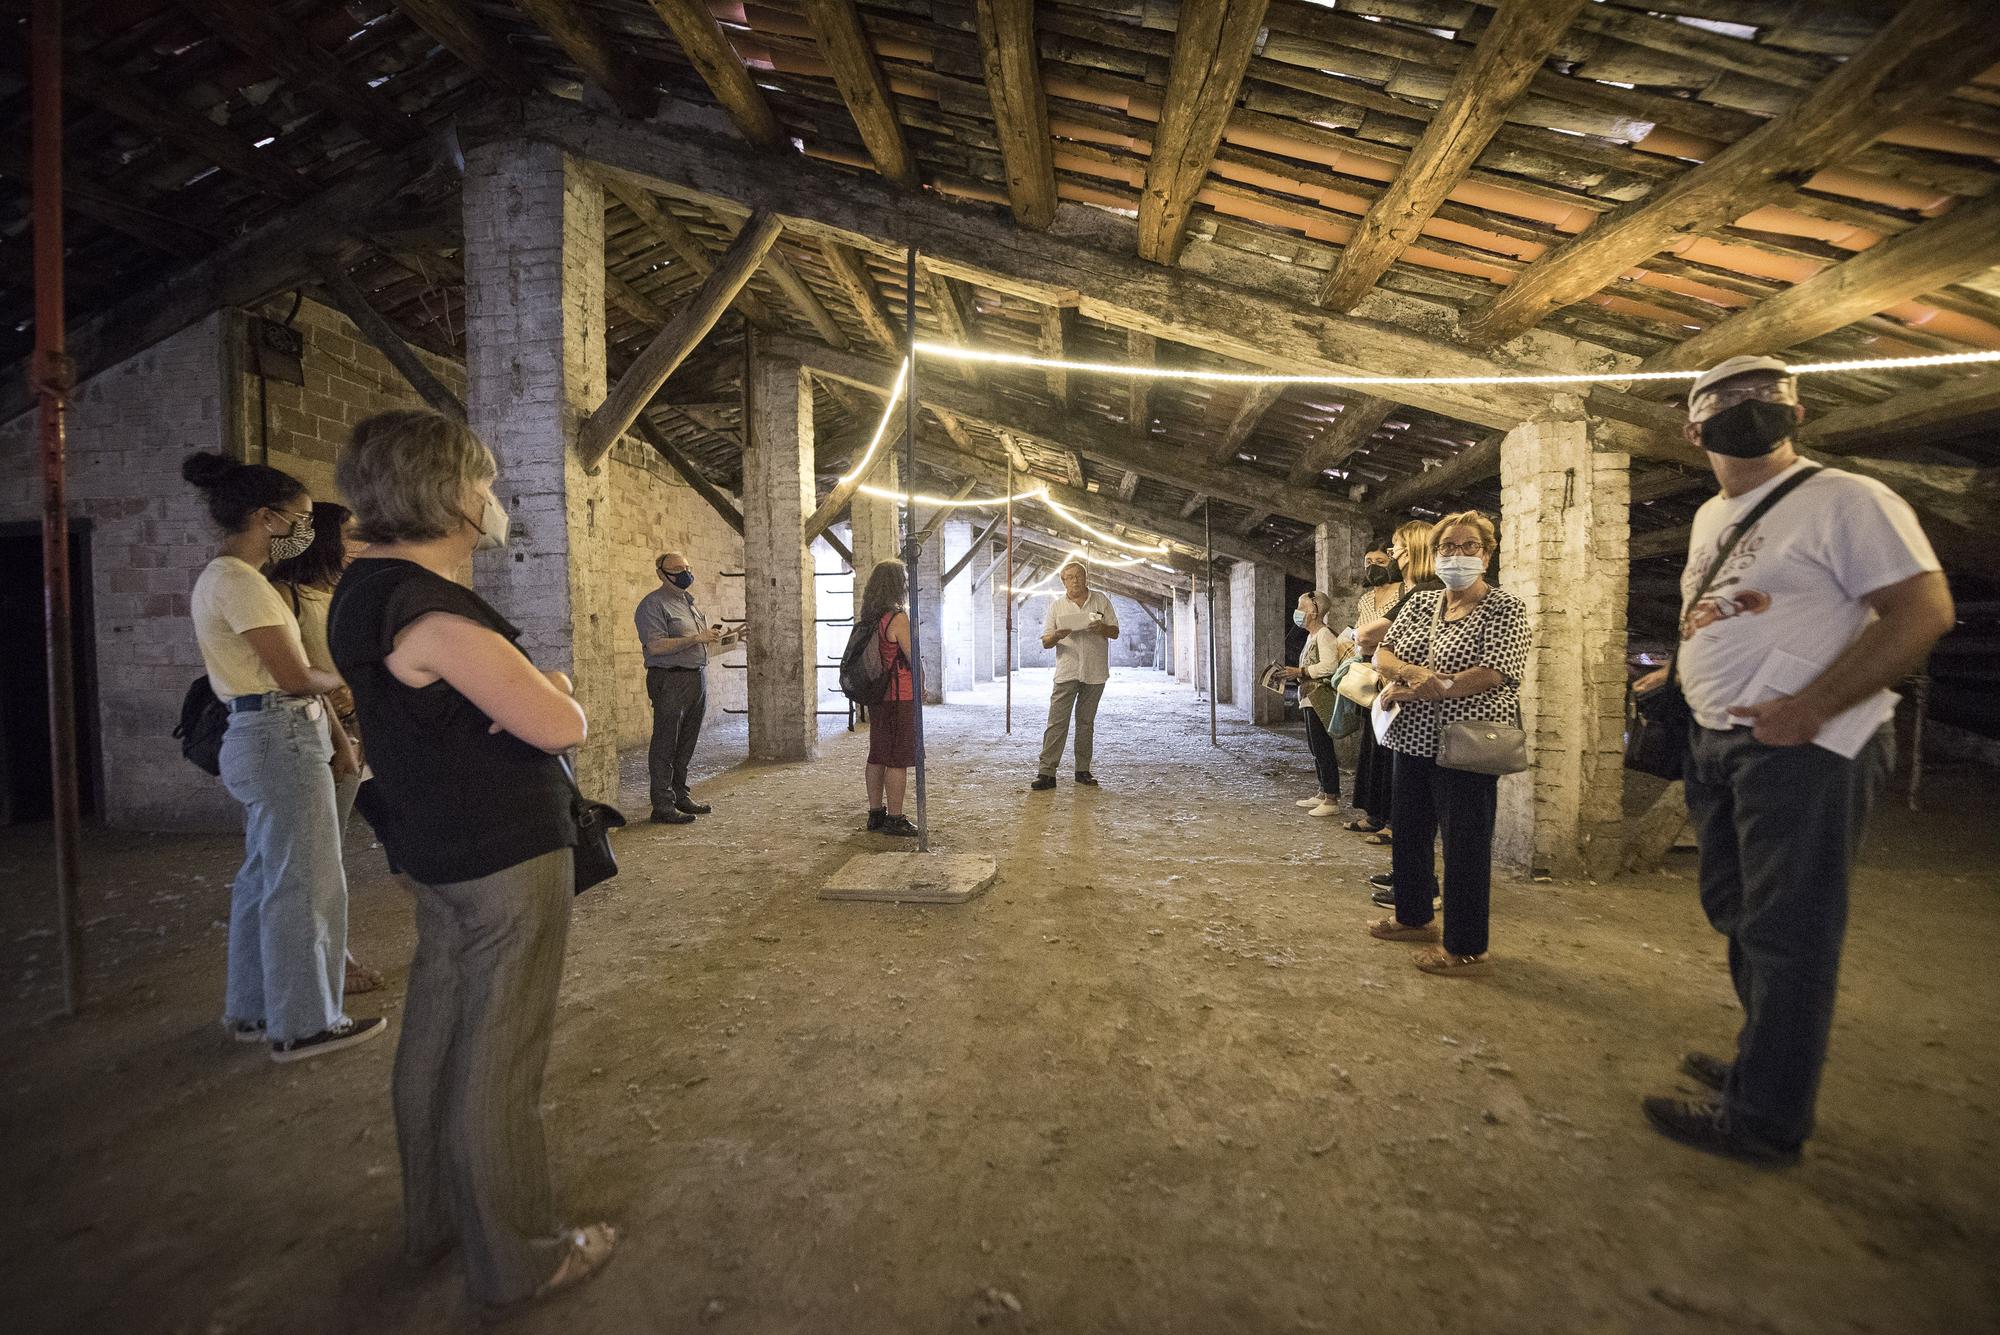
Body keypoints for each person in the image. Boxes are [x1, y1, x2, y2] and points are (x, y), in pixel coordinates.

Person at [328, 410, 617, 1310]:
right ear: (446, 492)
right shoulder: (428, 606)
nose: (490, 500)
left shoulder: (361, 593)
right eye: (482, 484)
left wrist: (520, 695)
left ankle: (439, 1222)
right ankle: (521, 1256)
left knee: (440, 1033)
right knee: (501, 1055)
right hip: (500, 849)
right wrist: (555, 686)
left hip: (436, 846)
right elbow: (560, 723)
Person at [1634, 355, 1953, 1165]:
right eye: (1727, 398)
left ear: (1797, 413)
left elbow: (1921, 611)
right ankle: (1760, 1063)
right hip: (1724, 742)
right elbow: (1738, 610)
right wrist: (1684, 672)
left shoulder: (1846, 499)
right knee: (1739, 912)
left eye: (1765, 396)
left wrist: (1811, 706)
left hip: (1805, 746)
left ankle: (1766, 1118)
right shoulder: (1713, 516)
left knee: (1790, 931)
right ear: (1693, 427)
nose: (1749, 407)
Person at [182, 452, 383, 1062]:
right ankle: (304, 1023)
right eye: (298, 517)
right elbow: (293, 677)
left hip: (263, 733)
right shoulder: (243, 584)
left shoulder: (224, 578)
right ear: (266, 518)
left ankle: (254, 1009)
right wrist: (347, 680)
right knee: (306, 884)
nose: (306, 529)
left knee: (264, 878)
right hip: (279, 733)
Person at [1366, 511, 1530, 977]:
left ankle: (1465, 944)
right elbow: (1383, 651)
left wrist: (1438, 685)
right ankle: (1414, 917)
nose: (1457, 555)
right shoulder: (1423, 602)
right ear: (1435, 556)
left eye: (1468, 547)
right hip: (1411, 736)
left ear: (1487, 554)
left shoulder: (1505, 607)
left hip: (1469, 743)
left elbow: (1496, 670)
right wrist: (1410, 675)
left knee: (1465, 844)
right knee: (1410, 831)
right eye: (1448, 548)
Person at [269, 500, 381, 997]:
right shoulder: (285, 597)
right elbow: (303, 681)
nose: (357, 543)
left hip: (356, 731)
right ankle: (330, 965)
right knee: (318, 859)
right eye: (348, 534)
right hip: (326, 735)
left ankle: (332, 958)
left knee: (329, 854)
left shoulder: (337, 595)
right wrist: (343, 739)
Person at [1353, 521, 1439, 856]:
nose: (1392, 555)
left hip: (1420, 711)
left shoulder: (1426, 592)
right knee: (1408, 798)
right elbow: (1383, 651)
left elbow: (1368, 639)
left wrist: (1399, 670)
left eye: (1395, 548)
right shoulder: (1420, 593)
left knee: (1414, 802)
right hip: (1403, 701)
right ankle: (1409, 882)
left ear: (1412, 550)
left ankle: (1419, 888)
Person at [635, 551, 719, 825]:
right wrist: (697, 637)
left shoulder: (689, 603)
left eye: (687, 567)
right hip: (669, 679)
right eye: (677, 568)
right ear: (661, 573)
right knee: (665, 742)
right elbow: (656, 645)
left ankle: (680, 795)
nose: (685, 573)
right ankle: (662, 804)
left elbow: (699, 645)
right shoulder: (653, 605)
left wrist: (728, 640)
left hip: (696, 677)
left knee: (686, 741)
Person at [1031, 559, 1120, 790]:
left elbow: (1115, 631)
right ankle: (1047, 773)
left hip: (1095, 671)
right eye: (1070, 577)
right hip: (1067, 671)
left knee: (1085, 723)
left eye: (1079, 576)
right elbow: (1046, 641)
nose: (1075, 581)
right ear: (1063, 581)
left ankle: (1082, 771)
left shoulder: (1100, 600)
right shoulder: (1056, 607)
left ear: (1086, 578)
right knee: (1056, 723)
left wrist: (1102, 629)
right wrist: (1058, 635)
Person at [857, 559, 919, 837]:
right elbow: (912, 657)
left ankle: (875, 813)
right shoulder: (897, 618)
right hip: (899, 695)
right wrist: (922, 686)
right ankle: (895, 817)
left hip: (879, 696)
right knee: (898, 759)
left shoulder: (871, 616)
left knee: (878, 754)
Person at [1280, 590, 1349, 816]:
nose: (1297, 612)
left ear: (1314, 610)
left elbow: (1329, 666)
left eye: (1301, 607)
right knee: (1314, 746)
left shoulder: (1324, 635)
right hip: (1309, 697)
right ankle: (1322, 791)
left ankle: (1332, 798)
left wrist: (1300, 671)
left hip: (1320, 697)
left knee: (1322, 747)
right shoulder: (1312, 636)